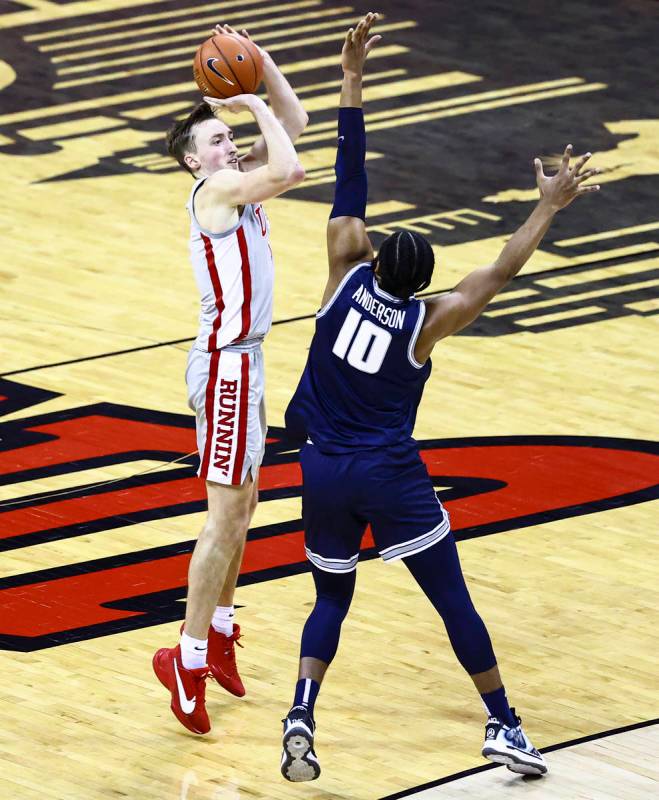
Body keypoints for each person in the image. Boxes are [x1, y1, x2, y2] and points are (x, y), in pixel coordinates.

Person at [280, 12, 601, 782]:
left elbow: (349, 178)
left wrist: (352, 79)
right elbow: (499, 272)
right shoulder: (430, 321)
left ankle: (300, 710)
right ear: (422, 281)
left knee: (330, 595)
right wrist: (546, 206)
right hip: (387, 474)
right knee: (450, 598)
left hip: (321, 467)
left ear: (376, 258)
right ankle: (503, 724)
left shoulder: (342, 271)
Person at [152, 23, 307, 735]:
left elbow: (294, 129)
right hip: (223, 369)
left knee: (242, 509)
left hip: (245, 362)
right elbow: (290, 167)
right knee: (222, 519)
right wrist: (252, 104)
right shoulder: (216, 190)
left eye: (227, 136)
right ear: (193, 161)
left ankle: (217, 626)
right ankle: (182, 658)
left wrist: (261, 70)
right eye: (215, 138)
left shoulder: (239, 183)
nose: (228, 144)